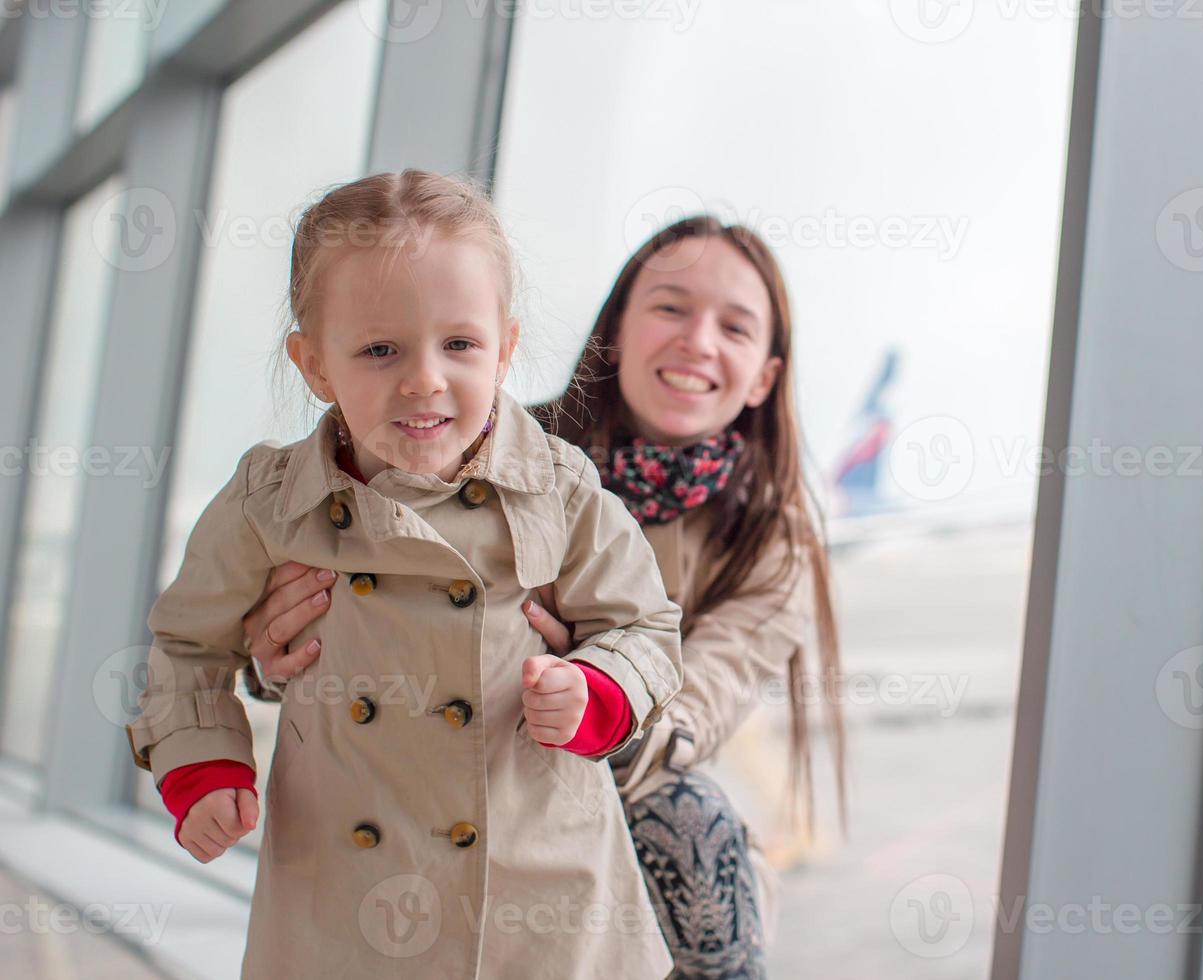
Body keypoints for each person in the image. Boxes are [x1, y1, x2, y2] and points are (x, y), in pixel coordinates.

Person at [246, 215, 848, 979]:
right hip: (433, 788)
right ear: (617, 330)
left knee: (689, 819)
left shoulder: (774, 537)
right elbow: (355, 609)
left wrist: (601, 683)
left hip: (607, 788)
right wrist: (270, 656)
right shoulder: (487, 449)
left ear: (762, 375)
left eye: (735, 327)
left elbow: (695, 711)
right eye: (670, 307)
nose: (699, 340)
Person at [125, 169, 683, 980]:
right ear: (315, 365)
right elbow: (185, 646)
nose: (424, 379)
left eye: (459, 344)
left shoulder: (560, 487)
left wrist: (600, 689)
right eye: (380, 349)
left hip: (538, 880)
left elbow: (645, 625)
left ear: (506, 350)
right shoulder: (268, 502)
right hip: (347, 889)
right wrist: (203, 766)